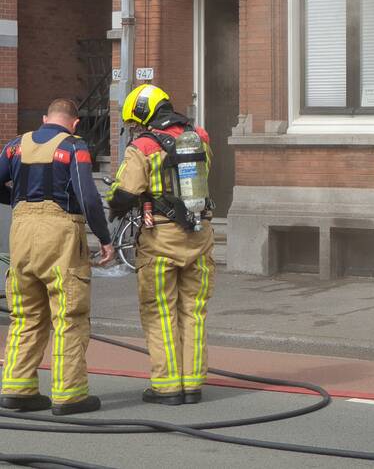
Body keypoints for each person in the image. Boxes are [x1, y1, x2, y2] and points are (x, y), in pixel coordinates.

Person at [0, 98, 114, 415]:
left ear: (45, 117)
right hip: (60, 236)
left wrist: (18, 200)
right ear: (74, 122)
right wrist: (104, 238)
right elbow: (87, 195)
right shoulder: (74, 146)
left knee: (25, 315)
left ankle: (17, 389)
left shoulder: (15, 146)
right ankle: (69, 395)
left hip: (21, 236)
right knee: (69, 316)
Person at [106, 84, 214, 405]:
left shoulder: (143, 146)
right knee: (194, 311)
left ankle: (167, 387)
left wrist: (114, 205)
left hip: (160, 238)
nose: (134, 130)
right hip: (200, 233)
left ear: (142, 114)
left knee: (159, 312)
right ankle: (193, 385)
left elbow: (125, 194)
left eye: (134, 123)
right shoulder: (200, 138)